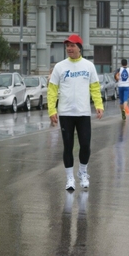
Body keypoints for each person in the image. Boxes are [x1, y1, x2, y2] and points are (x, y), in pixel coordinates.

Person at [47, 34, 104, 190]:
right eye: (67, 46)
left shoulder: (88, 66)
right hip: (65, 113)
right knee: (68, 146)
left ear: (79, 47)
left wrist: (99, 105)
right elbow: (52, 90)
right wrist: (51, 110)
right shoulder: (60, 67)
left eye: (72, 46)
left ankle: (83, 172)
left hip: (83, 113)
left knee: (85, 145)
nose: (69, 49)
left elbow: (95, 88)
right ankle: (70, 178)